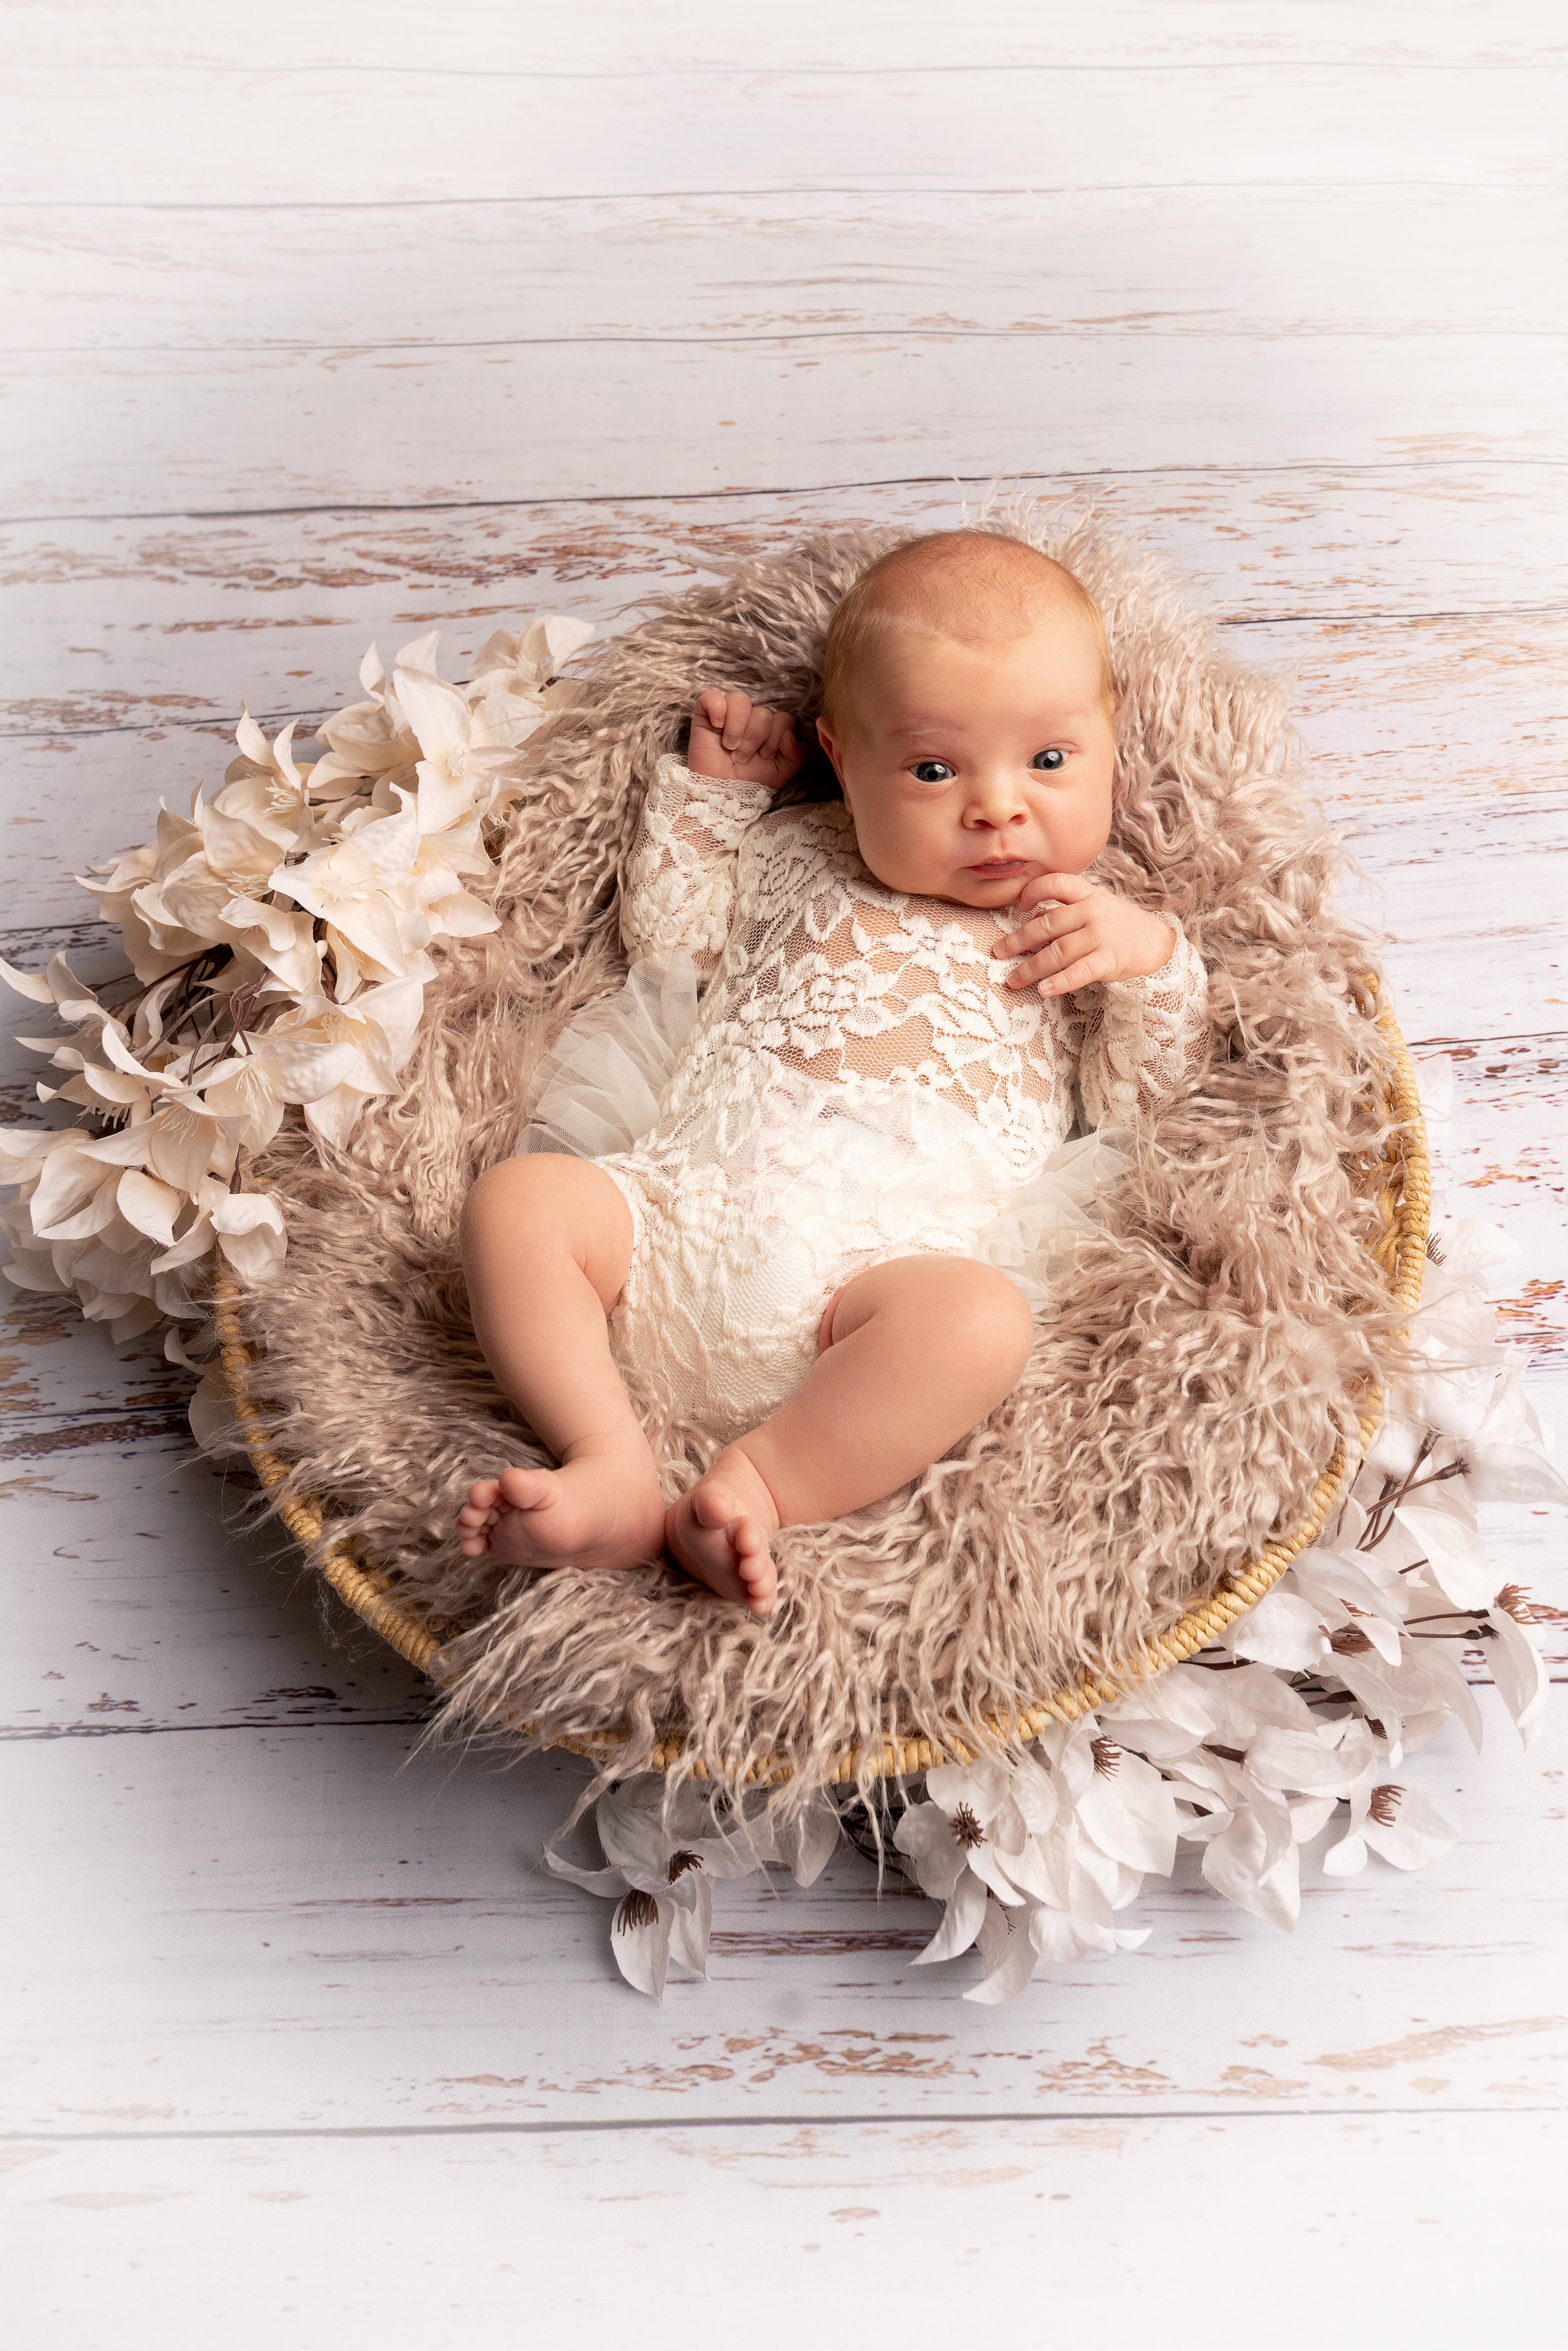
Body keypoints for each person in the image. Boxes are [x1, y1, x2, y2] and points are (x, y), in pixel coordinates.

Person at [455, 530, 1209, 1614]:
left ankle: (763, 1481)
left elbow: (1150, 1105)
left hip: (866, 1308)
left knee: (981, 1322)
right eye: (934, 768)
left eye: (1048, 761)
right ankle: (607, 1457)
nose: (997, 807)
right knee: (519, 1203)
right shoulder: (795, 848)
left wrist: (1151, 963)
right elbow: (669, 948)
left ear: (1111, 734)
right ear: (843, 757)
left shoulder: (1084, 931)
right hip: (672, 1216)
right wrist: (715, 802)